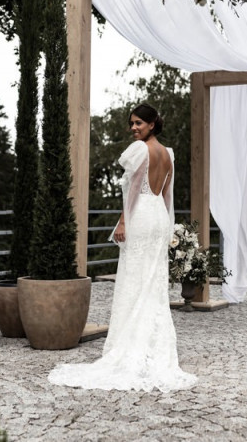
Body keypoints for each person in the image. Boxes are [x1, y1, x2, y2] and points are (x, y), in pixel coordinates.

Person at [48, 103, 197, 392]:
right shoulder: (168, 154)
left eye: (139, 123)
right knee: (152, 281)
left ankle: (130, 344)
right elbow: (167, 195)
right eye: (132, 123)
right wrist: (168, 227)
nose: (133, 128)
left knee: (133, 278)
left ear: (152, 124)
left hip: (141, 216)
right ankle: (153, 345)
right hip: (158, 218)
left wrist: (123, 222)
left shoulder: (140, 151)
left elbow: (133, 189)